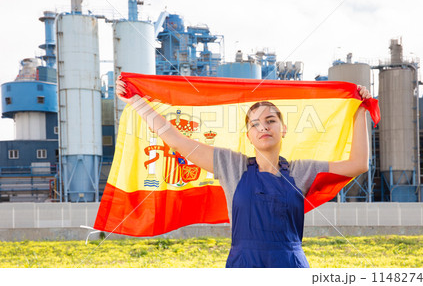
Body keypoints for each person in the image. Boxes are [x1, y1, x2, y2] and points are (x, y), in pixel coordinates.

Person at [115, 75, 372, 268]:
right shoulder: (232, 166)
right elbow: (178, 140)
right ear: (248, 135)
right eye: (255, 124)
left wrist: (361, 110)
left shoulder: (302, 170)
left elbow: (358, 164)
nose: (264, 128)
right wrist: (137, 102)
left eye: (271, 121)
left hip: (290, 266)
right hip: (244, 265)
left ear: (283, 129)